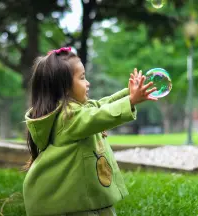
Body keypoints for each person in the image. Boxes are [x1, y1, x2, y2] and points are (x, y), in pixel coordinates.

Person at [23, 47, 157, 216]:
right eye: (82, 77)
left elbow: (100, 106)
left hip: (81, 196)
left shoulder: (76, 110)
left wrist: (129, 95)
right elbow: (98, 115)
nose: (88, 83)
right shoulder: (67, 117)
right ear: (64, 87)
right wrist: (130, 100)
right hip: (67, 205)